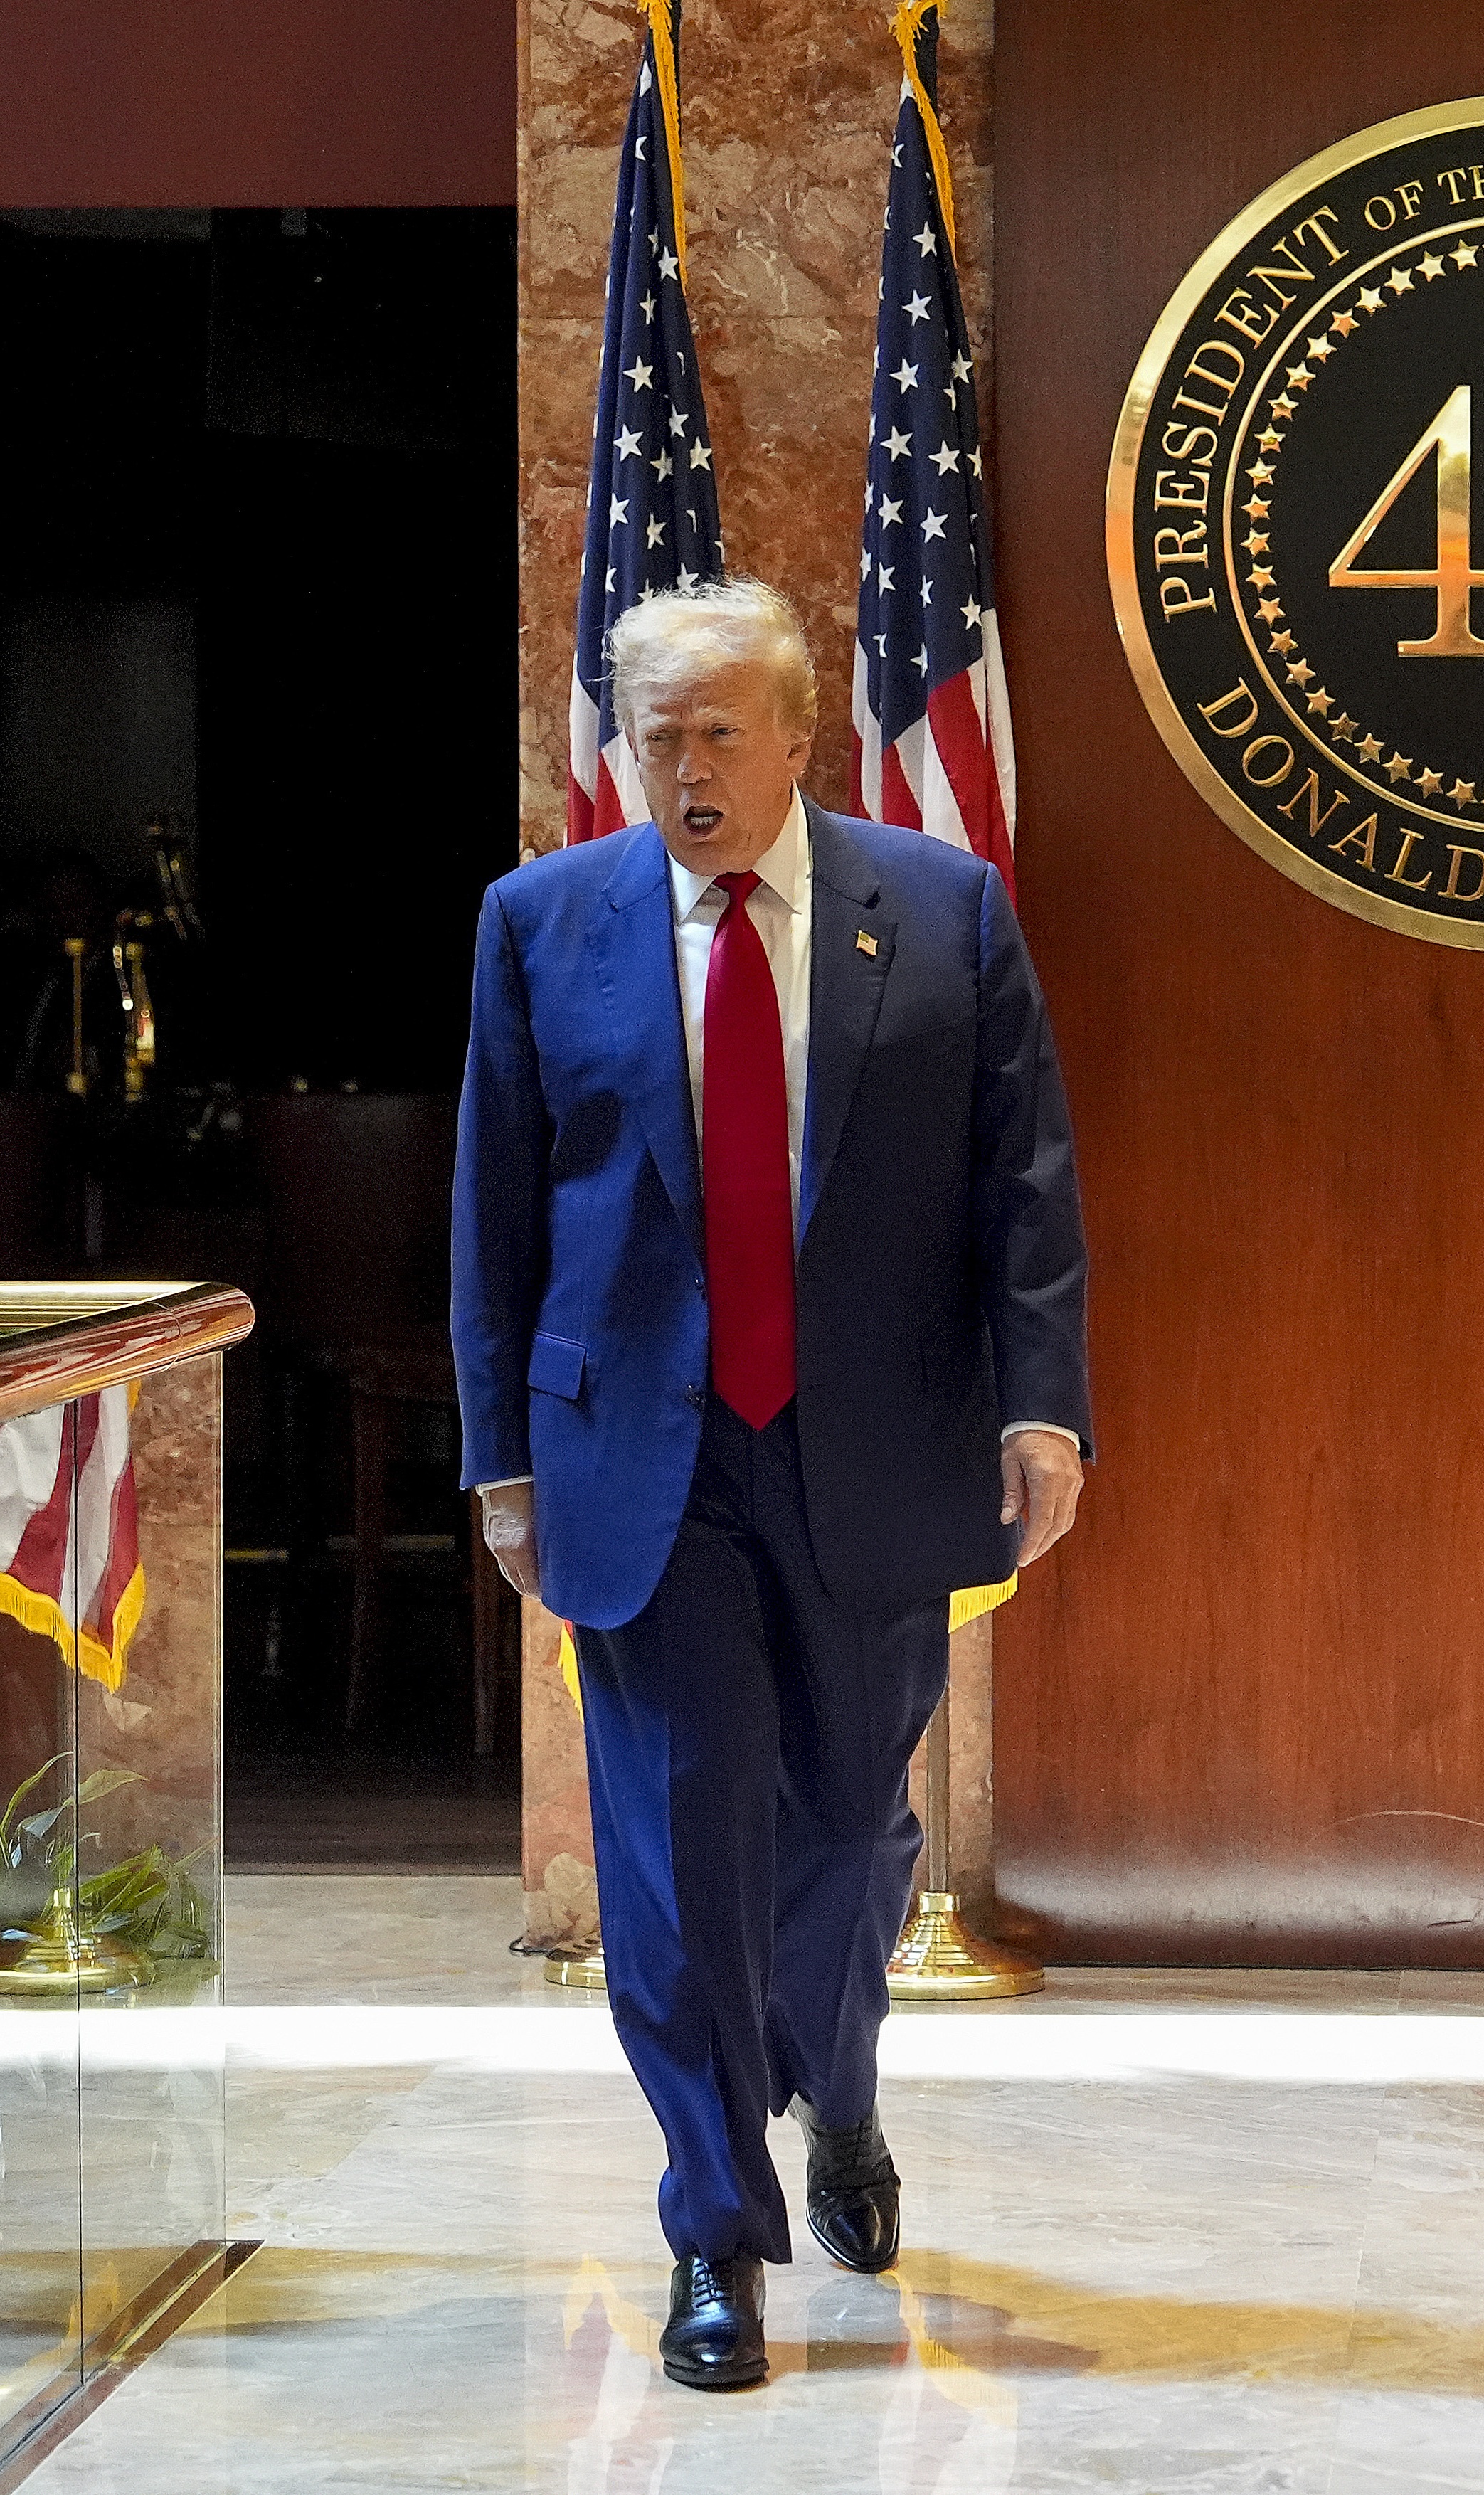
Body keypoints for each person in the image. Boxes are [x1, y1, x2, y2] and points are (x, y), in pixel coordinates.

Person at [450, 578, 1091, 2393]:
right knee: (674, 1853)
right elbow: (496, 1213)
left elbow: (1024, 1187)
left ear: (802, 738)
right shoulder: (541, 924)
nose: (690, 766)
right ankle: (714, 2228)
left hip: (876, 1440)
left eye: (724, 730)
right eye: (660, 737)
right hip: (640, 1461)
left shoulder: (943, 911)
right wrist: (502, 1461)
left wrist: (1043, 1411)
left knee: (848, 1834)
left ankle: (845, 2090)